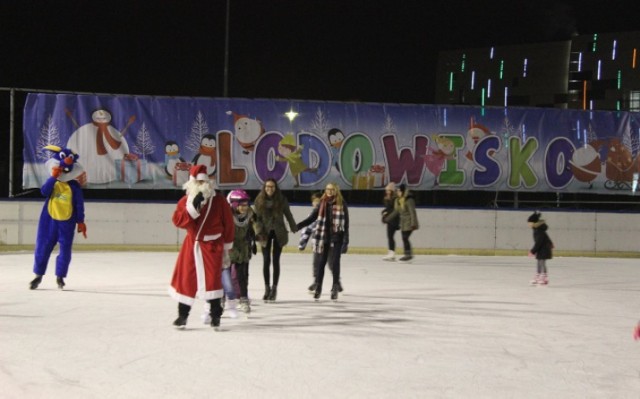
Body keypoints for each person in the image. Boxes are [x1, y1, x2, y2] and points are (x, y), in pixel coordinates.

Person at [169, 164, 234, 330]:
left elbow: (228, 225)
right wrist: (192, 209)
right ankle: (182, 316)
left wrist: (226, 248)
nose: (200, 186)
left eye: (202, 182)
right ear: (191, 183)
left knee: (212, 282)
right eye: (197, 183)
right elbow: (177, 221)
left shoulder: (219, 201)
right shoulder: (186, 201)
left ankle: (216, 316)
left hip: (212, 246)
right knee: (186, 280)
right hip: (192, 246)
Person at [29, 145, 87, 290]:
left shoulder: (74, 186)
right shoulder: (53, 181)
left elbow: (79, 204)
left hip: (67, 222)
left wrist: (80, 221)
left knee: (65, 250)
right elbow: (44, 191)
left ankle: (60, 277)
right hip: (49, 220)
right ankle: (38, 276)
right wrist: (53, 177)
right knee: (43, 247)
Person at [296, 182, 349, 301]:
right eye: (327, 189)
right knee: (321, 263)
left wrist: (346, 241)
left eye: (332, 189)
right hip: (323, 236)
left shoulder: (342, 203)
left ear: (336, 190)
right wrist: (299, 225)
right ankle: (318, 286)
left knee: (335, 263)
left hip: (337, 237)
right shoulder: (322, 203)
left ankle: (335, 286)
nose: (329, 191)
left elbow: (346, 224)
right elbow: (312, 218)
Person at [253, 178, 297, 302]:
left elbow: (288, 214)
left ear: (275, 188)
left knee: (276, 260)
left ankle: (274, 288)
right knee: (266, 260)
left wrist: (294, 226)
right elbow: (256, 218)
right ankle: (267, 288)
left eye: (272, 187)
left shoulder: (281, 199)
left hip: (279, 232)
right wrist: (258, 231)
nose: (269, 189)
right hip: (264, 233)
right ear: (264, 187)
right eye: (267, 186)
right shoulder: (259, 200)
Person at [227, 189, 257, 314]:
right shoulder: (228, 215)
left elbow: (254, 226)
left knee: (241, 275)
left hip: (243, 247)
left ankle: (243, 300)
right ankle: (222, 299)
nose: (245, 207)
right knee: (226, 275)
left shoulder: (250, 213)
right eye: (242, 205)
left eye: (246, 204)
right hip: (229, 247)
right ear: (234, 204)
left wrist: (255, 238)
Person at [384, 183, 419, 263]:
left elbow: (412, 212)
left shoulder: (409, 200)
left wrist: (413, 223)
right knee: (404, 237)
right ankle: (408, 254)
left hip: (410, 222)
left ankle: (408, 254)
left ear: (403, 191)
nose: (397, 192)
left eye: (399, 191)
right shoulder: (399, 200)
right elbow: (396, 211)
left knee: (405, 237)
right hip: (404, 223)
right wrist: (387, 219)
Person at [527, 211, 554, 286]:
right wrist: (551, 242)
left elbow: (539, 242)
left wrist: (532, 251)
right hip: (541, 249)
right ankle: (538, 276)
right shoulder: (537, 229)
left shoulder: (539, 230)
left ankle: (544, 277)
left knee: (542, 262)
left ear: (534, 223)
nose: (529, 224)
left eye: (530, 222)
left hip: (544, 249)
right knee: (539, 262)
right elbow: (546, 236)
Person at [381, 182, 400, 261]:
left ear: (392, 191)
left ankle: (392, 253)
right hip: (390, 220)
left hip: (394, 220)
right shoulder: (387, 198)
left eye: (388, 190)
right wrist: (383, 212)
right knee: (390, 236)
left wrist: (386, 215)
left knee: (390, 236)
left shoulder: (395, 199)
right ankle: (391, 252)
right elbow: (388, 209)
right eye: (386, 190)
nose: (387, 192)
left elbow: (394, 210)